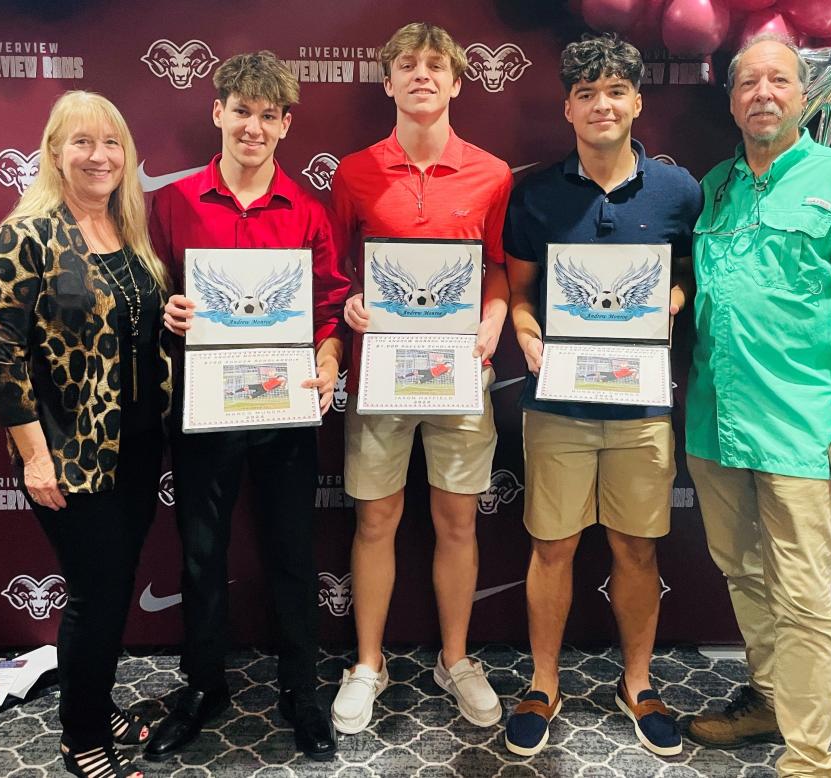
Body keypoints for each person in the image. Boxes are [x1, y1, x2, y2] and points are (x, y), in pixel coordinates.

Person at [685, 35, 831, 777]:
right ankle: (769, 703)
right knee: (745, 575)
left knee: (804, 592)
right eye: (749, 83)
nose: (763, 94)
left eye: (779, 80)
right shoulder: (715, 186)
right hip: (717, 426)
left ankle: (809, 756)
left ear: (802, 95)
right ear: (732, 99)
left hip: (804, 430)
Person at [146, 51, 350, 763]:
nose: (253, 127)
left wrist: (327, 361)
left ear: (286, 124)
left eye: (268, 116)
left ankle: (302, 689)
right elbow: (147, 298)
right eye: (242, 112)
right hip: (203, 412)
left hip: (286, 414)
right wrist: (165, 312)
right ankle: (204, 686)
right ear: (217, 113)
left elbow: (329, 309)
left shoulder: (309, 211)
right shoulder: (170, 204)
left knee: (293, 556)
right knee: (202, 558)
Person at [502, 34, 702, 757]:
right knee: (551, 546)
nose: (601, 105)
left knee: (636, 548)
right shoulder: (536, 194)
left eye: (615, 91)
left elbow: (692, 276)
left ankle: (638, 683)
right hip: (557, 403)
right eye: (586, 94)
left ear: (637, 102)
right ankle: (543, 684)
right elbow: (519, 295)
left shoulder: (680, 192)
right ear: (568, 108)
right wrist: (526, 335)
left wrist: (673, 300)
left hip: (643, 405)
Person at [0, 90, 171, 778]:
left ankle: (95, 699)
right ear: (54, 151)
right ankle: (81, 737)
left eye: (111, 142)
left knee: (115, 584)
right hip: (68, 453)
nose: (99, 156)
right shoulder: (26, 234)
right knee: (95, 591)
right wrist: (35, 457)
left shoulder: (129, 230)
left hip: (140, 443)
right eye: (82, 142)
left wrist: (168, 315)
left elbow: (130, 326)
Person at [329, 22, 512, 734]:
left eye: (436, 66)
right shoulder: (354, 171)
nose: (422, 76)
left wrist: (495, 316)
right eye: (408, 65)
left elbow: (501, 269)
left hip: (461, 375)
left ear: (458, 82)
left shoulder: (491, 172)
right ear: (389, 81)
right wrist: (347, 300)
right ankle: (368, 665)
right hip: (381, 376)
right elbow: (332, 268)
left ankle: (455, 659)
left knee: (457, 520)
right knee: (376, 517)